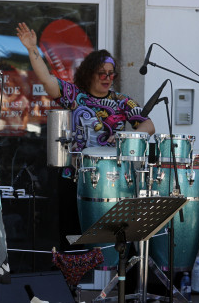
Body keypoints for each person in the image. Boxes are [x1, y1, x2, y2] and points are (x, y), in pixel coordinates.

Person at [16, 22, 155, 251]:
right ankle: (73, 285)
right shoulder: (73, 95)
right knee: (73, 239)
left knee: (114, 242)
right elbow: (47, 80)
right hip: (75, 178)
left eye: (111, 74)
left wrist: (126, 137)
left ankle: (115, 283)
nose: (107, 78)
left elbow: (148, 125)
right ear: (89, 73)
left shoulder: (122, 101)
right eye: (102, 73)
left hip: (113, 180)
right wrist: (32, 49)